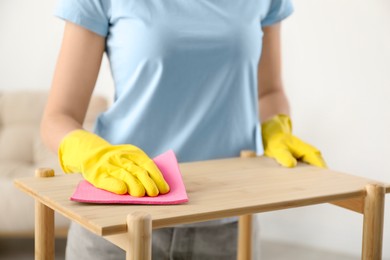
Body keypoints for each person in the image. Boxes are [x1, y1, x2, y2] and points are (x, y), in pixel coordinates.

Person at [41, 0, 326, 259]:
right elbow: (58, 117)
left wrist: (276, 128)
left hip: (228, 226)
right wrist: (92, 154)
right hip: (118, 220)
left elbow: (269, 93)